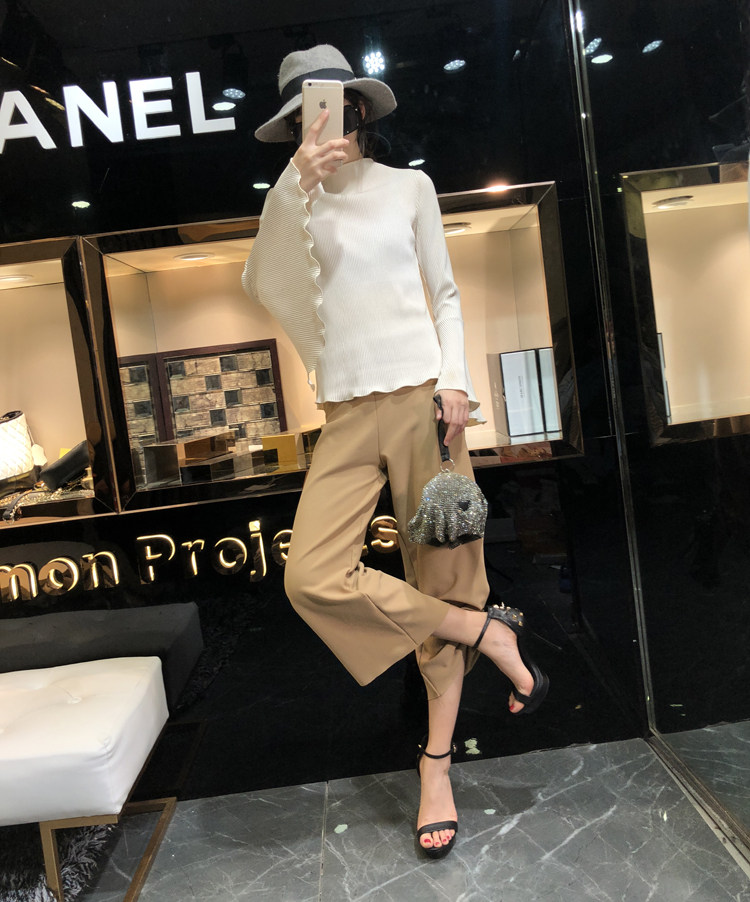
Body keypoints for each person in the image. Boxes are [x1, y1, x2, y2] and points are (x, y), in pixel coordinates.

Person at [242, 44, 548, 859]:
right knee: (311, 575)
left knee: (443, 571)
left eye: (335, 106)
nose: (324, 124)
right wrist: (295, 183)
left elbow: (444, 294)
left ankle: (436, 767)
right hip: (345, 413)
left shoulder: (409, 188)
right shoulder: (292, 205)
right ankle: (484, 631)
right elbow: (264, 280)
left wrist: (456, 381)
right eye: (306, 115)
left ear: (360, 111)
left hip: (423, 405)